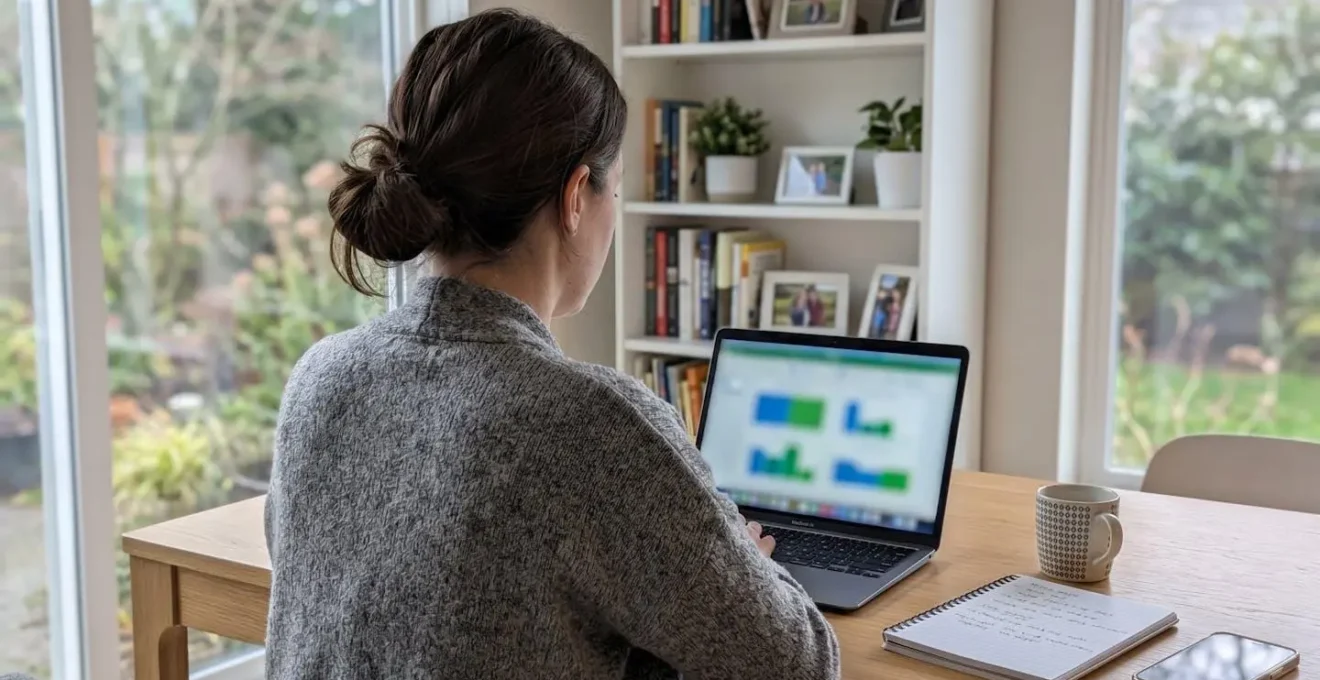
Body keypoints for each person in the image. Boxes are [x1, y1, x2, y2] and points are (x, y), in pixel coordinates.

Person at [263, 10, 839, 680]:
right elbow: (796, 664)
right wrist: (747, 563)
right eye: (614, 191)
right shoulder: (591, 424)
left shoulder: (320, 376)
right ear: (575, 198)